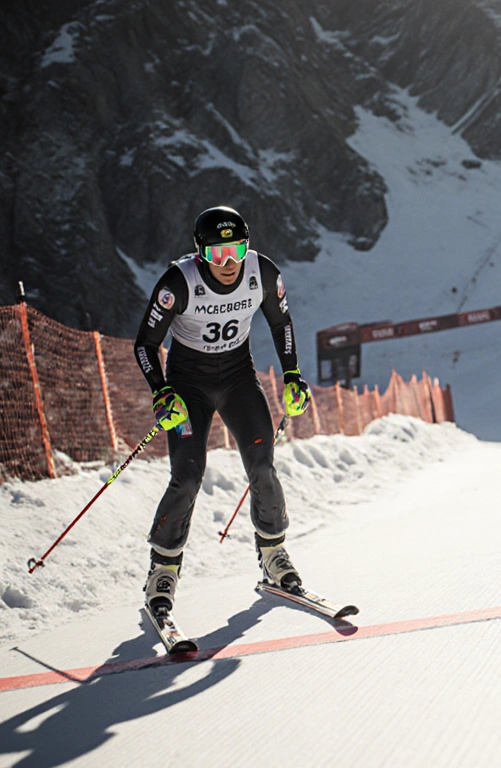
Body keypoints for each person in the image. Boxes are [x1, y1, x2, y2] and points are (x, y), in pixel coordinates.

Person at [132, 206, 312, 617]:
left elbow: (281, 324)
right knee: (188, 474)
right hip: (187, 386)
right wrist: (161, 393)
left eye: (236, 251)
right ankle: (163, 570)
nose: (229, 263)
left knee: (263, 465)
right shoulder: (179, 281)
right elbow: (145, 343)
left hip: (237, 379)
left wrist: (293, 375)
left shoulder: (261, 273)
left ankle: (274, 555)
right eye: (217, 254)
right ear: (200, 255)